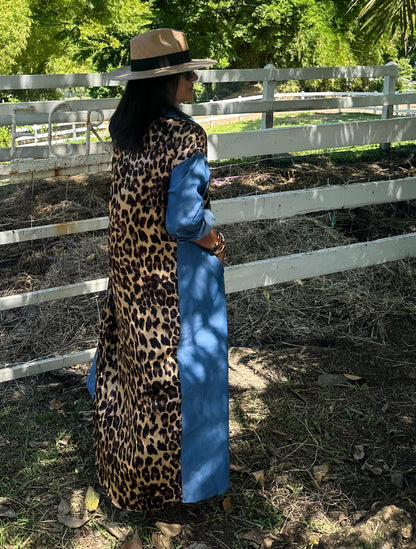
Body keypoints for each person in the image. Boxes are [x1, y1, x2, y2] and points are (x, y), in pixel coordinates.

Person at [87, 28, 229, 512]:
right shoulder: (187, 135)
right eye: (187, 73)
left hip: (131, 277)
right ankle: (177, 488)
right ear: (167, 82)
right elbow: (185, 219)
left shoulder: (126, 131)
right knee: (185, 380)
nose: (194, 80)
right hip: (176, 280)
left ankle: (126, 477)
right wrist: (216, 239)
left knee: (137, 379)